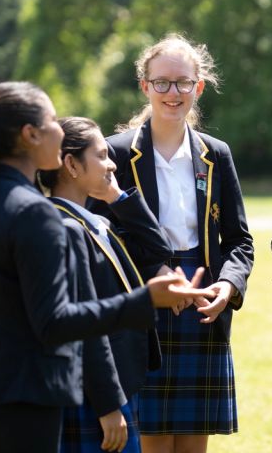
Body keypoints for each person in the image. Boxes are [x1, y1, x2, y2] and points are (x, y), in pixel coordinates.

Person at [0, 82, 214, 453]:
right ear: (31, 135)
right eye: (52, 121)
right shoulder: (35, 213)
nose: (59, 131)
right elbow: (55, 322)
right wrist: (145, 301)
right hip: (21, 393)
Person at [92, 34, 254, 453]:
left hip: (202, 306)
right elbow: (102, 240)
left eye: (183, 83)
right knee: (154, 442)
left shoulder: (216, 154)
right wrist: (155, 275)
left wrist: (228, 286)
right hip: (143, 303)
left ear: (198, 87)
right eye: (161, 82)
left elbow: (239, 241)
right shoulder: (114, 153)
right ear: (144, 86)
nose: (172, 92)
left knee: (192, 444)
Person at [38, 117, 179, 453]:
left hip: (120, 383)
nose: (112, 163)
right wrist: (108, 404)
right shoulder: (60, 227)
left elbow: (158, 249)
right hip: (96, 396)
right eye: (101, 155)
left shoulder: (96, 220)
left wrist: (116, 196)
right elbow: (84, 324)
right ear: (71, 164)